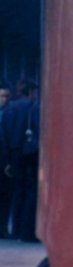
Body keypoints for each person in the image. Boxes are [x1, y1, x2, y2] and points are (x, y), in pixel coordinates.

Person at [3, 80, 39, 242]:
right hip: (30, 153)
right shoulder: (34, 107)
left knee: (17, 191)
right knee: (31, 191)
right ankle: (27, 232)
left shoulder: (10, 108)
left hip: (14, 153)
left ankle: (15, 229)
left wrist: (8, 158)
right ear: (31, 91)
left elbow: (4, 133)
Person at [0, 82, 12, 237]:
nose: (5, 99)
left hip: (4, 158)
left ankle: (2, 227)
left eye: (7, 96)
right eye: (2, 96)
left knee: (5, 195)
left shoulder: (10, 113)